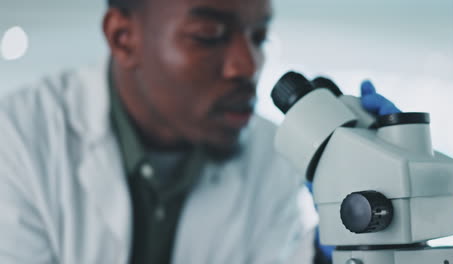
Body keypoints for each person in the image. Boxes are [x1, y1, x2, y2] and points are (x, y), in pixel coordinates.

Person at [0, 0, 400, 263]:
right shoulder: (19, 139)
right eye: (210, 36)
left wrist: (340, 249)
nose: (248, 65)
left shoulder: (274, 155)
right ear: (124, 39)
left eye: (258, 37)